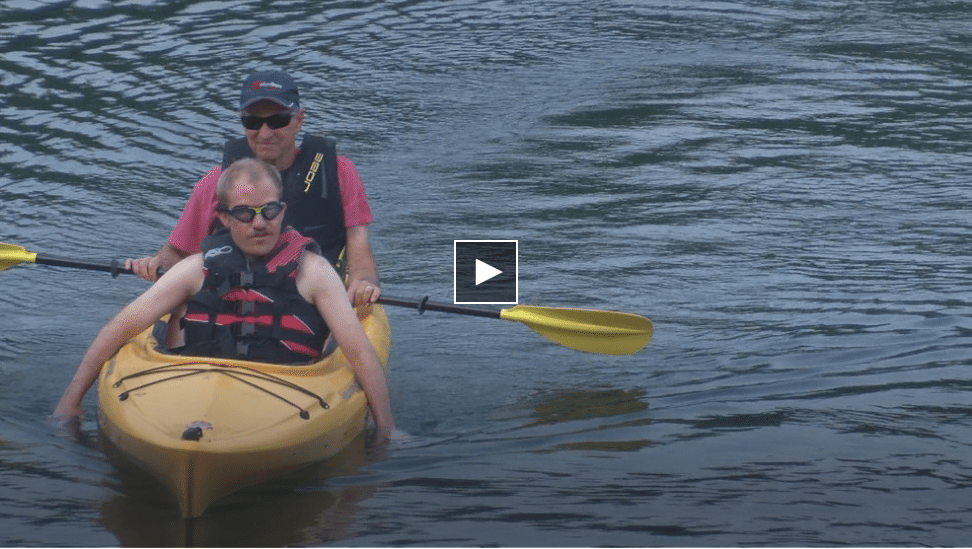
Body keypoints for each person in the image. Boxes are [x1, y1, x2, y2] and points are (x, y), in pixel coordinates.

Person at [53, 158, 394, 441]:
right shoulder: (196, 268)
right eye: (245, 214)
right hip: (191, 385)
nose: (260, 223)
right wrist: (69, 403)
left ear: (283, 210)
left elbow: (360, 354)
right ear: (224, 218)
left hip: (290, 390)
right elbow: (120, 327)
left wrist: (385, 431)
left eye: (270, 211)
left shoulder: (315, 272)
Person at [130, 70, 380, 308]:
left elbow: (359, 252)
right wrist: (154, 264)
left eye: (278, 120)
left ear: (298, 120)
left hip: (315, 302)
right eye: (253, 122)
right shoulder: (217, 182)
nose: (265, 133)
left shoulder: (338, 172)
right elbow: (177, 251)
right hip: (232, 306)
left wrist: (363, 284)